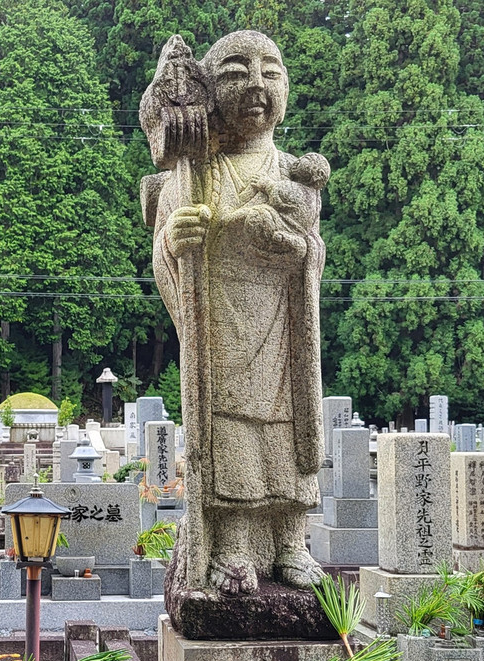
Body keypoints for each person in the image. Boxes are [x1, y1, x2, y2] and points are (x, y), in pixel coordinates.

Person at [146, 30, 327, 596]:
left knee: (288, 428)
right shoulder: (196, 170)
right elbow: (164, 249)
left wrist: (298, 251)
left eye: (270, 73)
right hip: (221, 321)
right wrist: (177, 239)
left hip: (283, 321)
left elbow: (314, 249)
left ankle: (291, 542)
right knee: (232, 429)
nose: (255, 86)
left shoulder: (292, 171)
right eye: (236, 72)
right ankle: (233, 546)